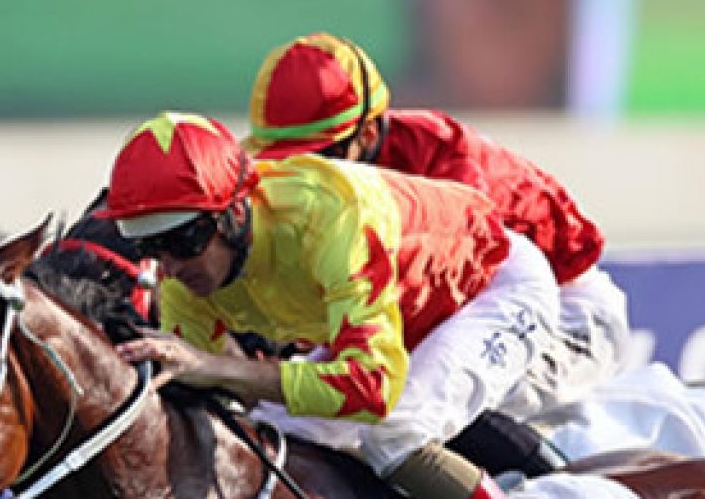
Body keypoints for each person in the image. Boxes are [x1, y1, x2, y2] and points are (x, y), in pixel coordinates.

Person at [98, 112, 616, 499]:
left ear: (236, 211)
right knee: (269, 437)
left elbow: (370, 389)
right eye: (150, 246)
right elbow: (213, 405)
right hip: (394, 316)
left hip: (490, 286)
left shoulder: (326, 217)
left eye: (184, 239)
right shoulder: (184, 282)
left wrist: (222, 368)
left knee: (394, 432)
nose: (170, 267)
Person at [245, 32, 631, 421]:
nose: (302, 176)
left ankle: (559, 481)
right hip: (460, 307)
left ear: (367, 135)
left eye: (318, 158)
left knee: (420, 410)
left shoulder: (447, 165)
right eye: (286, 160)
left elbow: (443, 301)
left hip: (565, 314)